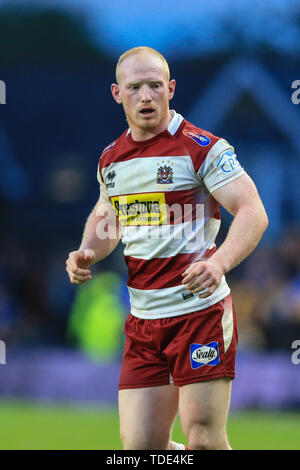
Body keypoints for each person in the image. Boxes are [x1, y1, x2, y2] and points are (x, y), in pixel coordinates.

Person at [66, 46, 268, 450]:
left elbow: (252, 212)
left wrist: (219, 263)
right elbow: (109, 216)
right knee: (142, 447)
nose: (146, 96)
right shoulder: (111, 160)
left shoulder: (202, 148)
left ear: (171, 88)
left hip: (199, 315)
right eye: (135, 87)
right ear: (116, 93)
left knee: (204, 439)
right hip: (143, 322)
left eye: (155, 86)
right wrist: (87, 249)